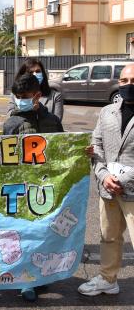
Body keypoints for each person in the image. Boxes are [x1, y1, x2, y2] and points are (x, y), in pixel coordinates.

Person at [3, 74, 63, 302]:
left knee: (44, 232)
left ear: (37, 96)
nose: (20, 101)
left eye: (25, 97)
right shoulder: (12, 123)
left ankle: (42, 275)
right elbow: (4, 157)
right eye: (17, 97)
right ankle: (25, 280)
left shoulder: (52, 121)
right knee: (23, 233)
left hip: (47, 186)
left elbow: (62, 149)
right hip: (21, 187)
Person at [78, 63, 134, 297]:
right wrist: (103, 175)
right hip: (108, 187)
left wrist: (127, 176)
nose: (129, 85)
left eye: (133, 80)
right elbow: (96, 146)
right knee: (109, 236)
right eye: (124, 81)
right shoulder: (106, 112)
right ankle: (108, 279)